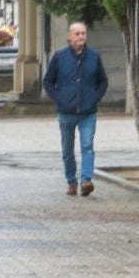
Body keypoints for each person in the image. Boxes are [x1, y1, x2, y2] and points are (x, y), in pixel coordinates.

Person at [43, 20, 110, 197]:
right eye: (77, 34)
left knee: (87, 145)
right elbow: (48, 81)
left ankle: (86, 180)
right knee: (67, 149)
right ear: (69, 37)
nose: (81, 37)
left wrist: (95, 97)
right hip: (66, 112)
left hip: (88, 112)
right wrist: (59, 98)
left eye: (83, 33)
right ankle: (71, 181)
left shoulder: (94, 57)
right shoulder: (60, 57)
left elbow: (103, 81)